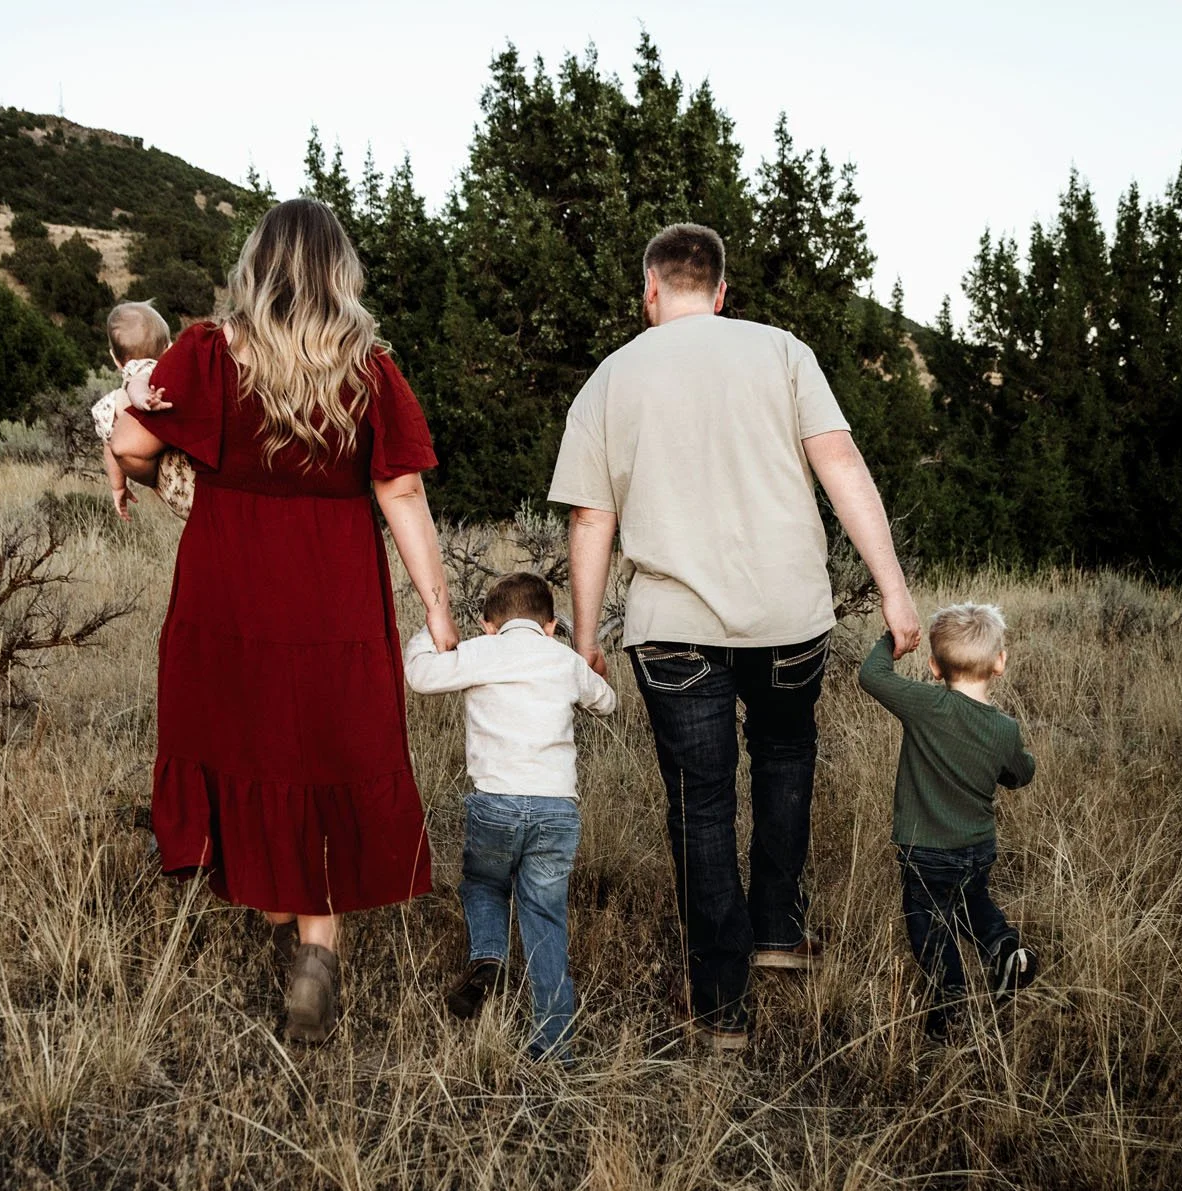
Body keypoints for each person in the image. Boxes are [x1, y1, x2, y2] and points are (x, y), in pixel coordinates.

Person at [551, 222, 921, 1052]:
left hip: (672, 630)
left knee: (701, 799)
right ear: (720, 293)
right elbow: (843, 468)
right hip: (788, 618)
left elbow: (589, 516)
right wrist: (895, 594)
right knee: (787, 754)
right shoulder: (783, 352)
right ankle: (779, 934)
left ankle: (721, 1007)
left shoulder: (613, 377)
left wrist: (584, 635)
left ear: (652, 291)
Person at [110, 198, 456, 1044]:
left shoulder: (205, 350)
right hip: (333, 582)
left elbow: (130, 443)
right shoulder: (368, 366)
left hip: (228, 581)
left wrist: (139, 457)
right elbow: (401, 490)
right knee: (327, 746)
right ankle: (316, 947)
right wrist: (440, 611)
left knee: (248, 737)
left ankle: (275, 896)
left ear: (255, 265)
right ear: (340, 272)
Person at [403, 572, 618, 1061]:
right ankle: (554, 1041)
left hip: (494, 802)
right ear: (551, 625)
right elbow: (607, 703)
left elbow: (419, 677)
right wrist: (591, 671)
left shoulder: (481, 651)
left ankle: (489, 957)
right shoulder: (562, 658)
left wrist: (430, 634)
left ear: (488, 625)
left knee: (483, 883)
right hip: (556, 808)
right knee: (545, 913)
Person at [858, 603, 1039, 1041]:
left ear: (935, 668)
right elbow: (1021, 775)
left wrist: (892, 641)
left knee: (929, 925)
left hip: (926, 851)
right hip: (977, 849)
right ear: (1000, 663)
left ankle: (950, 998)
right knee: (975, 901)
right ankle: (1005, 949)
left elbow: (872, 676)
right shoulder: (1004, 729)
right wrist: (1018, 759)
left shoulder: (926, 704)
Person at [89, 300, 193, 521]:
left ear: (115, 359)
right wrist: (142, 399)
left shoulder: (111, 404)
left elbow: (109, 447)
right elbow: (137, 382)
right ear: (168, 348)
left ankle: (154, 481)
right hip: (177, 472)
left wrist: (118, 487)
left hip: (161, 478)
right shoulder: (147, 371)